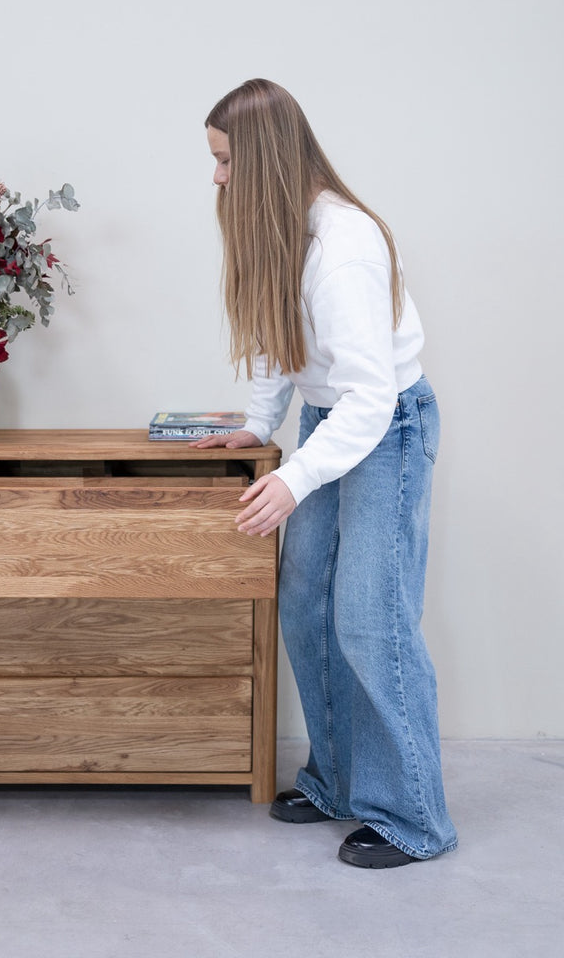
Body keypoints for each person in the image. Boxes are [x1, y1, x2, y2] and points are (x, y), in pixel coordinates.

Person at [192, 79, 457, 868]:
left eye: (224, 160)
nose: (216, 178)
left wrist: (294, 477)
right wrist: (255, 426)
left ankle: (415, 818)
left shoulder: (344, 248)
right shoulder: (287, 233)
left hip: (385, 429)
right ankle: (337, 781)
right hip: (329, 426)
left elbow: (372, 396)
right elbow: (281, 338)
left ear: (264, 159)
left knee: (371, 622)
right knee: (306, 605)